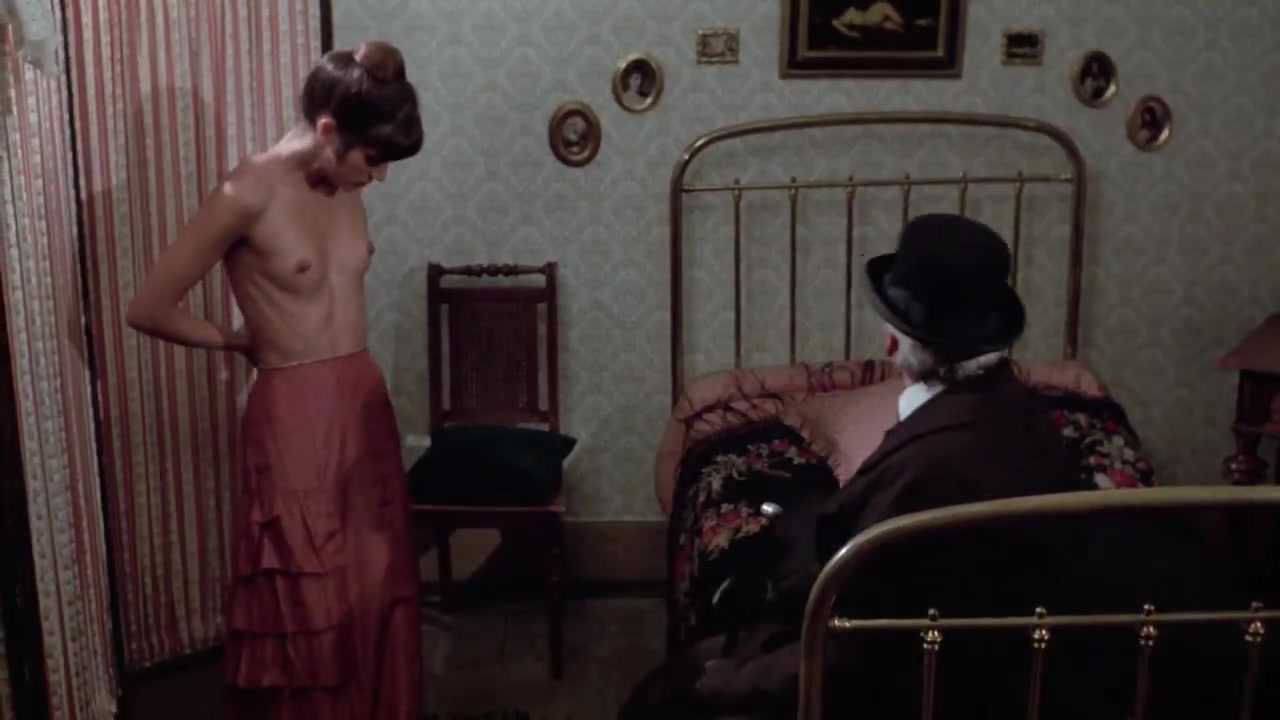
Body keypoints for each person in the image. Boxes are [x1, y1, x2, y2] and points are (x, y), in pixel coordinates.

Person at [620, 214, 1097, 719]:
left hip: (930, 681)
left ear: (893, 344)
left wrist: (729, 683)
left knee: (662, 697)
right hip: (1017, 659)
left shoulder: (929, 470)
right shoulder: (1018, 412)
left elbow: (859, 647)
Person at [125, 40, 425, 719]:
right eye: (372, 158)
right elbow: (148, 306)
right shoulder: (245, 193)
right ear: (328, 130)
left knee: (375, 583)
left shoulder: (346, 184)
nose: (380, 176)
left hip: (364, 403)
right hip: (293, 415)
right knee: (308, 595)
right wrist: (234, 338)